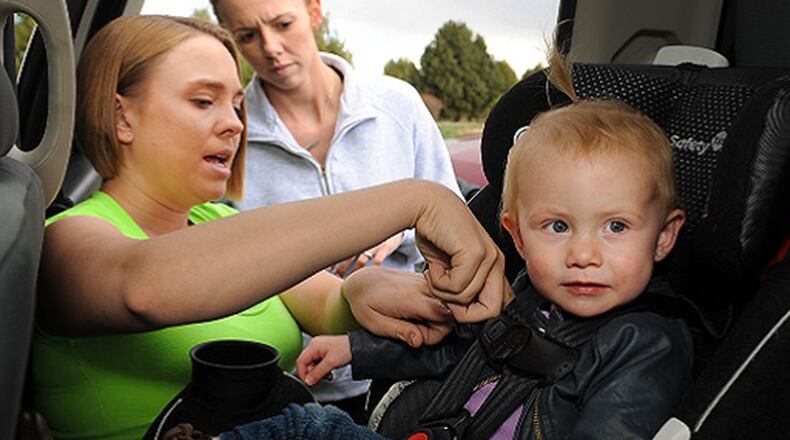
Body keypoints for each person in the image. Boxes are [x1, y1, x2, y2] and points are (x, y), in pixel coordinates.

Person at [33, 15, 506, 440]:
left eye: (237, 105)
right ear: (122, 117)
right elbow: (143, 287)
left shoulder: (219, 222)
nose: (234, 125)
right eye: (203, 101)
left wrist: (362, 291)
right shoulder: (64, 238)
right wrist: (413, 200)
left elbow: (327, 301)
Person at [296, 49, 694, 439]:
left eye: (616, 227)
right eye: (558, 227)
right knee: (301, 423)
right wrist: (356, 349)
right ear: (517, 237)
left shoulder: (644, 345)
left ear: (663, 237)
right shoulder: (524, 297)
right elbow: (455, 352)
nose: (583, 256)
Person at [207, 0, 463, 419]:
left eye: (283, 24)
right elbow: (220, 268)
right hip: (290, 389)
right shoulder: (227, 137)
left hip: (410, 372)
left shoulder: (398, 105)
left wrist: (400, 225)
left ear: (314, 10)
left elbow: (454, 233)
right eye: (247, 36)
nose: (270, 48)